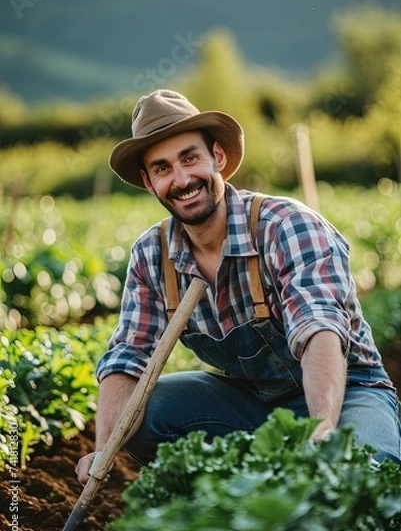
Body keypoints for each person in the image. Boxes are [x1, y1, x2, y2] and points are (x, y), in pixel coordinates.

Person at [76, 89, 400, 484]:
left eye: (190, 158)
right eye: (162, 168)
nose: (181, 179)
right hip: (249, 401)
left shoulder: (285, 225)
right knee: (147, 414)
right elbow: (128, 356)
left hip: (346, 391)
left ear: (219, 158)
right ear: (148, 182)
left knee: (367, 479)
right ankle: (237, 504)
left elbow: (319, 328)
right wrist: (104, 449)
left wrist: (321, 432)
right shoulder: (151, 256)